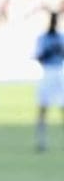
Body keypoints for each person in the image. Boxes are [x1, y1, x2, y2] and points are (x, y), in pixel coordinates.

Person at [35, 11, 63, 152]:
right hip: (48, 72)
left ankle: (42, 141)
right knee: (43, 108)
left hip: (59, 72)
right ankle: (42, 141)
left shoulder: (61, 38)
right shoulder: (43, 38)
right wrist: (49, 52)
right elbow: (38, 56)